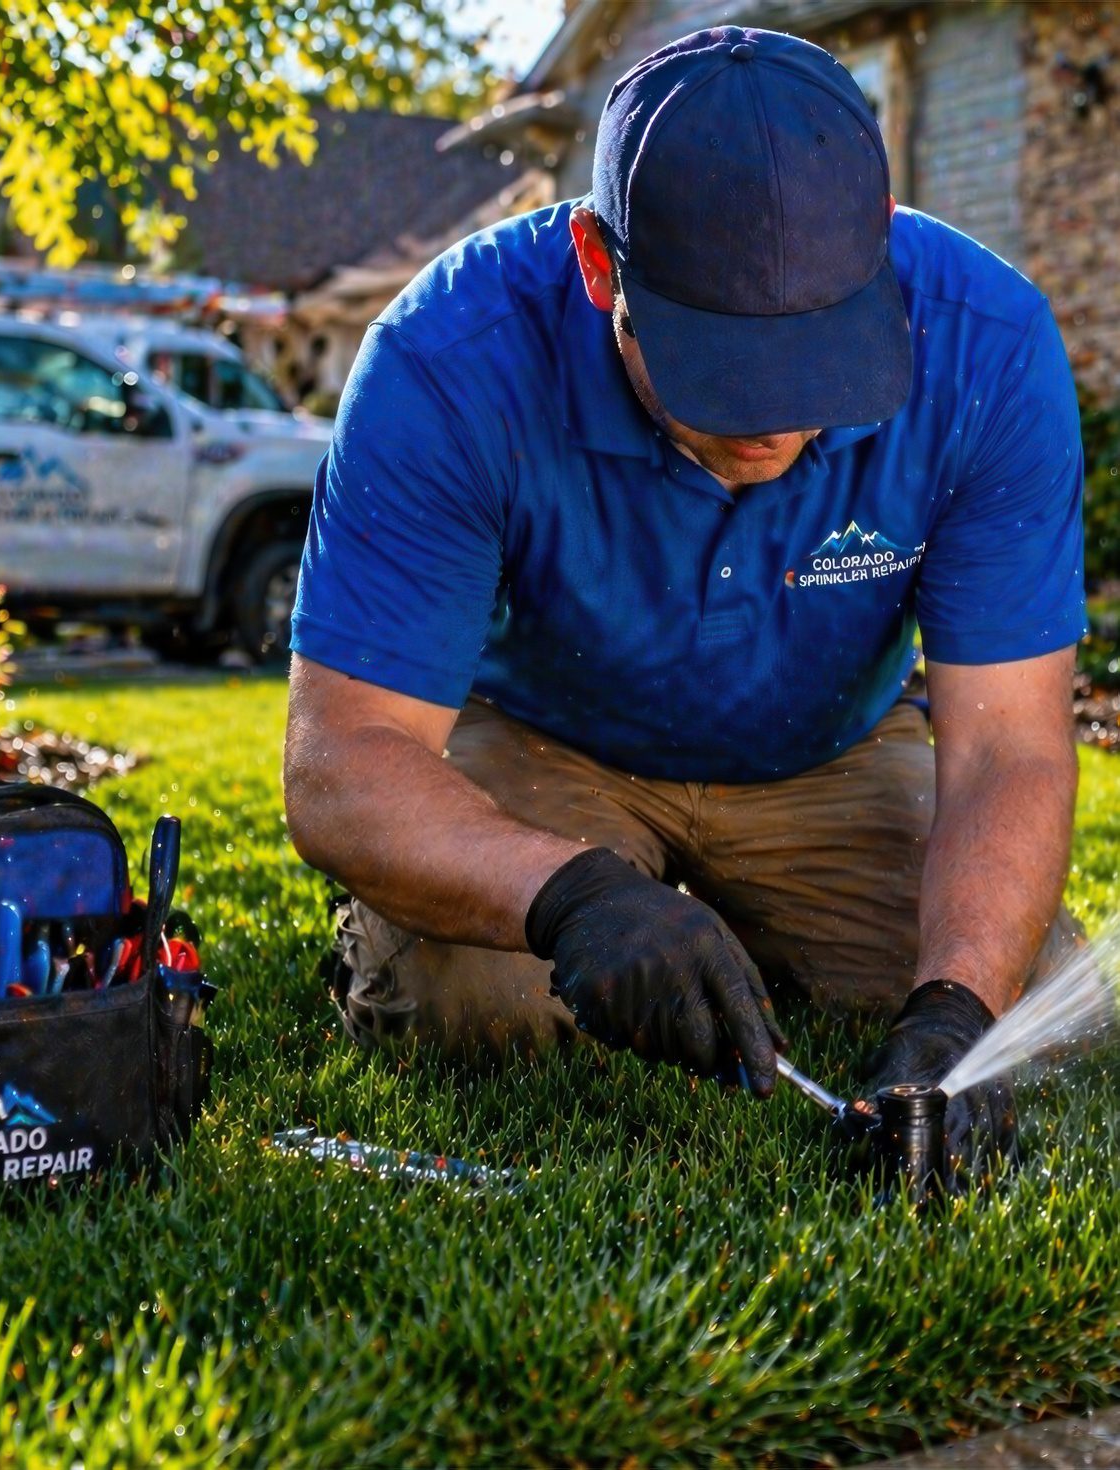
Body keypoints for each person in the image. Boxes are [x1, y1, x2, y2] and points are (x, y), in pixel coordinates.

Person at [282, 27, 1087, 1181]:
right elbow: (339, 763)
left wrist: (954, 1009)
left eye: (817, 364)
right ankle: (480, 922)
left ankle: (761, 938)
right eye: (726, 367)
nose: (777, 421)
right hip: (551, 750)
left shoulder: (988, 348)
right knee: (483, 1005)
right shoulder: (444, 360)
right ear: (600, 268)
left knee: (1019, 995)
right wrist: (569, 897)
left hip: (829, 756)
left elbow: (1009, 748)